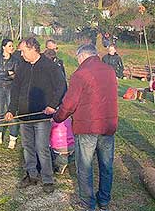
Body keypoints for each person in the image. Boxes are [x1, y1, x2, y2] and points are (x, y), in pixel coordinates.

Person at [46, 44, 118, 211]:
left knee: (85, 167)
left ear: (82, 56)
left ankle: (88, 204)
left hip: (87, 127)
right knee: (106, 166)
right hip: (108, 125)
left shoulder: (80, 74)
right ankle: (104, 201)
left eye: (78, 58)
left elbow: (69, 104)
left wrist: (57, 117)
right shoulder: (110, 71)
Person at [6, 37, 66, 194]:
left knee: (42, 148)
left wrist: (52, 105)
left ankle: (47, 179)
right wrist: (12, 109)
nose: (21, 54)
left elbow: (61, 86)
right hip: (24, 115)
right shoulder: (22, 66)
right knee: (27, 147)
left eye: (23, 51)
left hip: (41, 116)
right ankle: (31, 174)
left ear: (33, 49)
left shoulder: (50, 66)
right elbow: (15, 89)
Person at [0, 39, 19, 149]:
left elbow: (15, 75)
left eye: (12, 46)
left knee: (11, 112)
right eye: (10, 46)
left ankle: (13, 138)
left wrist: (1, 74)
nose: (12, 48)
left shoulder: (15, 60)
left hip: (11, 88)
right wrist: (7, 73)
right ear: (3, 47)